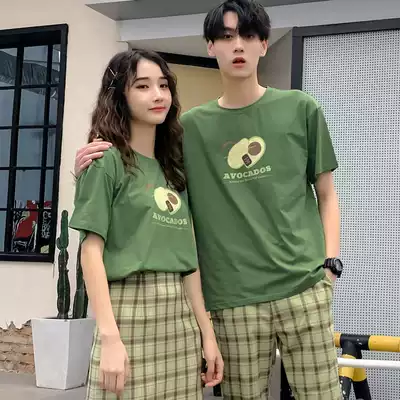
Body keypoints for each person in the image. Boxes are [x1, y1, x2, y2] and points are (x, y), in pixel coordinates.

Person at [73, 1, 344, 399]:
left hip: (304, 288)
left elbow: (327, 194)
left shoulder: (300, 109)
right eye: (227, 36)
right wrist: (84, 168)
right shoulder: (187, 130)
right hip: (231, 301)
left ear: (264, 44)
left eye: (248, 35)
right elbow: (132, 173)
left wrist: (329, 268)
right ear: (210, 46)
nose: (239, 45)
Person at [69, 49, 223, 400]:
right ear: (119, 96)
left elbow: (188, 260)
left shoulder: (175, 169)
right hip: (127, 313)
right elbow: (90, 252)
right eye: (142, 86)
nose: (158, 95)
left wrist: (207, 333)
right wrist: (110, 338)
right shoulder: (104, 161)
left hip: (179, 320)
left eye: (164, 85)